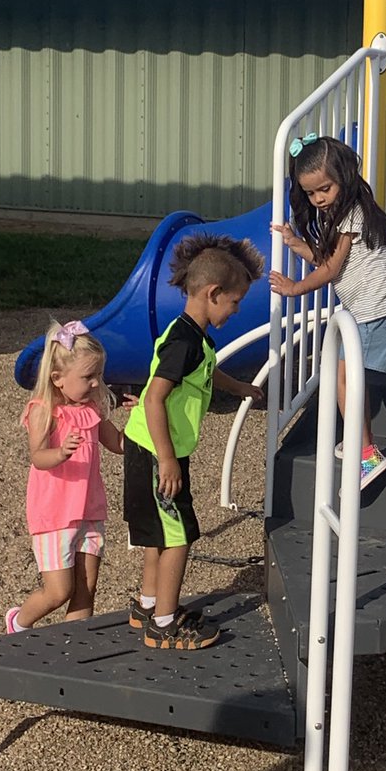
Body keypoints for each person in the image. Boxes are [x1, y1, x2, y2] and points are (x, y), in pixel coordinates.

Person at [123, 233, 264, 650]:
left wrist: (240, 387)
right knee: (180, 535)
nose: (235, 310)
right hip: (157, 450)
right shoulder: (185, 342)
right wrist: (166, 459)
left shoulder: (192, 336)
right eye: (234, 302)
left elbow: (207, 371)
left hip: (151, 447)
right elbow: (155, 397)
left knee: (157, 532)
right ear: (213, 293)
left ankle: (149, 605)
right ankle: (165, 623)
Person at [269, 134, 386, 490]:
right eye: (311, 194)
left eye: (324, 189)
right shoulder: (344, 215)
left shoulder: (354, 214)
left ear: (344, 176)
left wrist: (293, 288)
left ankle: (367, 452)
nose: (319, 199)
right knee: (345, 379)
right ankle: (361, 444)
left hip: (375, 310)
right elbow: (330, 263)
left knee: (345, 379)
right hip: (367, 310)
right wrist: (295, 242)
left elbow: (328, 271)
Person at [6, 320, 125, 633]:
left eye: (99, 374)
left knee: (86, 588)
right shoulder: (43, 410)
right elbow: (38, 457)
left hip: (90, 510)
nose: (97, 383)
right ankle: (18, 623)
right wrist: (60, 453)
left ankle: (74, 646)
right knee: (59, 590)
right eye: (88, 377)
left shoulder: (93, 411)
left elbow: (118, 444)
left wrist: (144, 421)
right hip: (55, 514)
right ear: (57, 378)